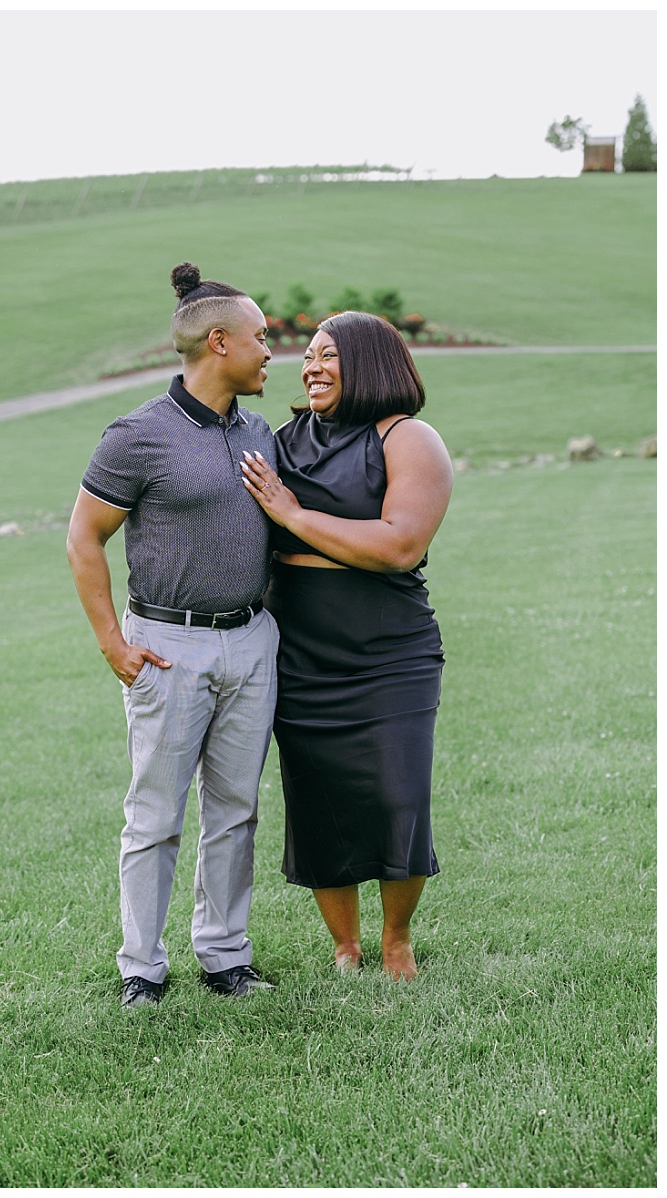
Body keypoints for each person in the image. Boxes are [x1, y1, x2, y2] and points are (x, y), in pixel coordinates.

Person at [66, 263, 281, 1008]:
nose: (269, 351)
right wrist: (112, 644)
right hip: (167, 646)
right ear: (218, 343)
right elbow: (84, 538)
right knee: (155, 815)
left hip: (253, 643)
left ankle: (225, 957)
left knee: (236, 810)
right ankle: (142, 970)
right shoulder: (138, 436)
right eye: (261, 339)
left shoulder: (260, 432)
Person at [240, 311, 453, 981]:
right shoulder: (281, 441)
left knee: (398, 795)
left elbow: (400, 544)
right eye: (307, 356)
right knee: (317, 800)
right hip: (299, 648)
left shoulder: (408, 438)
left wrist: (294, 515)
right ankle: (344, 946)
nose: (309, 366)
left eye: (328, 355)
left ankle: (395, 939)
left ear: (370, 361)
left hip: (389, 650)